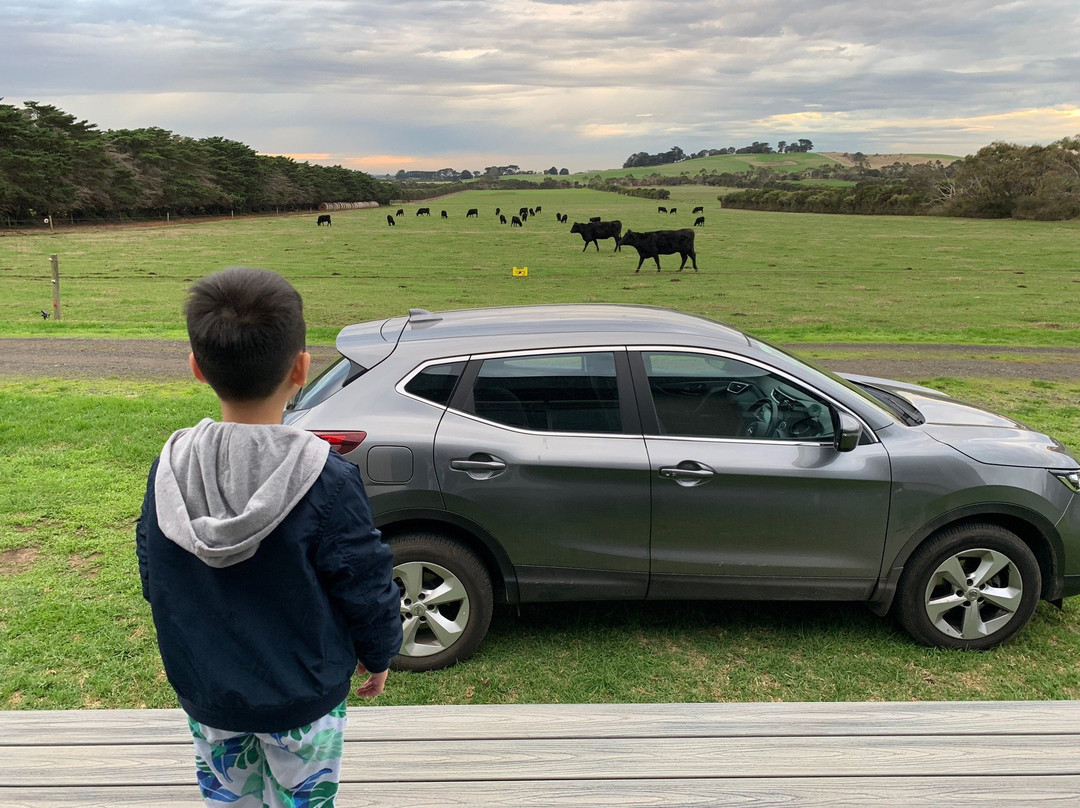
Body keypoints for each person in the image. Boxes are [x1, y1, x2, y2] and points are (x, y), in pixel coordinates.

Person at [136, 266, 402, 807]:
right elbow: (366, 583)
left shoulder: (169, 468)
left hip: (209, 693)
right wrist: (379, 654)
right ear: (302, 368)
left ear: (197, 368)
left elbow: (153, 571)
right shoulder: (326, 478)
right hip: (304, 700)